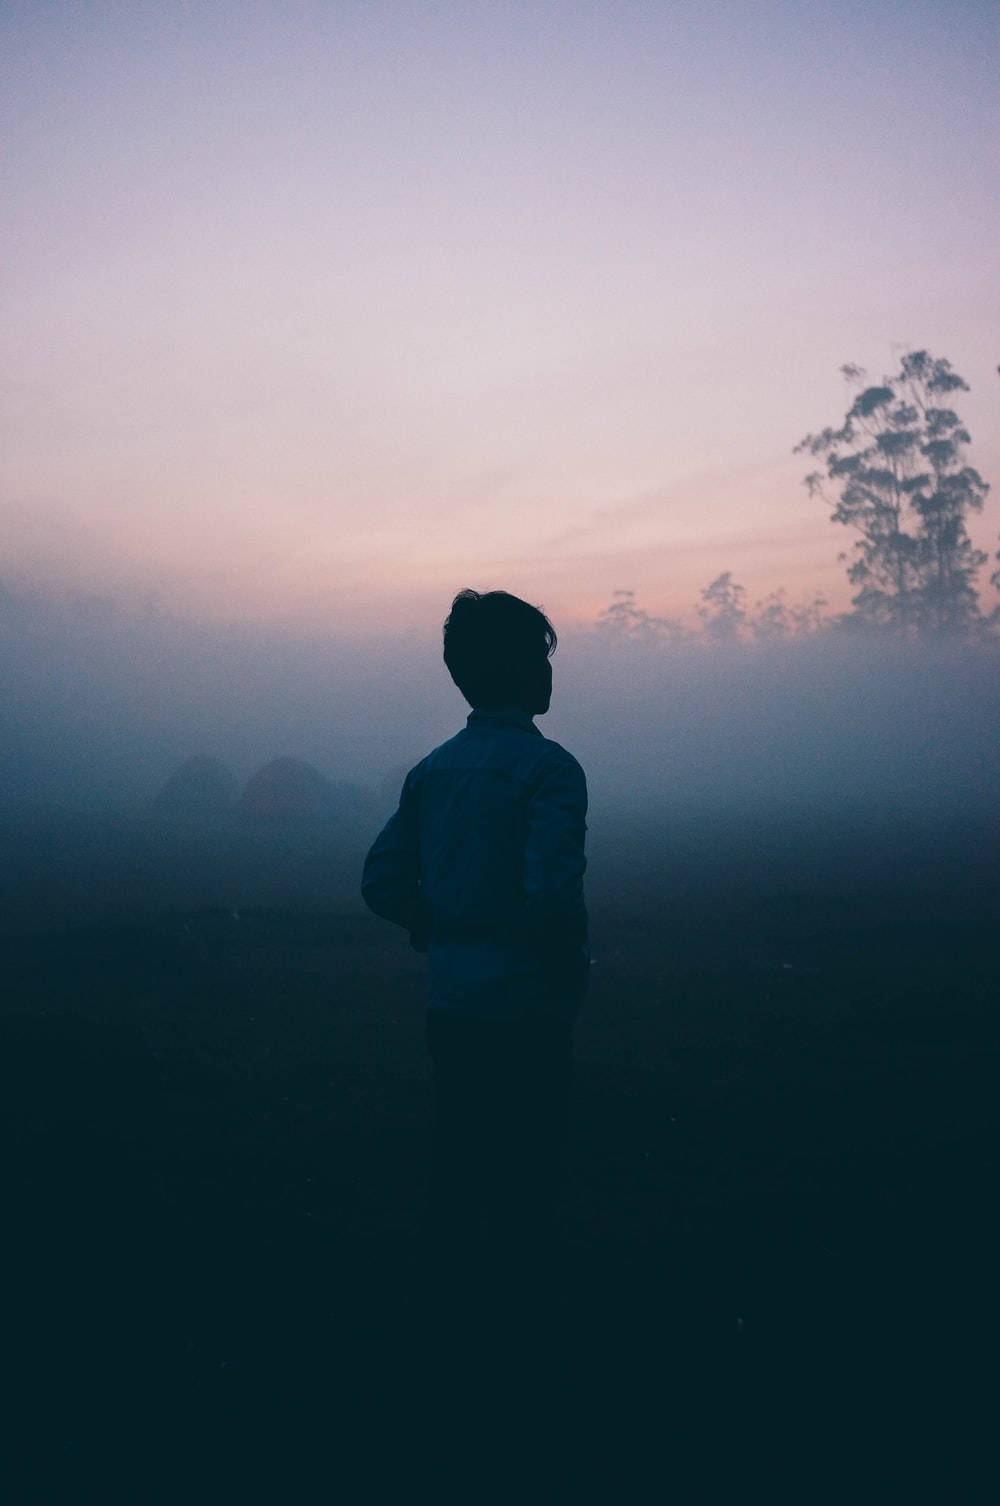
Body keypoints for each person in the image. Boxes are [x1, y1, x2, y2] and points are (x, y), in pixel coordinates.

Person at [361, 588, 589, 1303]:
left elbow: (382, 879)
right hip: (528, 1001)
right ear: (522, 671)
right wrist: (562, 968)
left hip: (453, 997)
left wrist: (431, 924)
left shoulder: (433, 771)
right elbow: (552, 891)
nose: (552, 675)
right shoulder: (552, 771)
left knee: (459, 1151)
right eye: (542, 660)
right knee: (530, 1161)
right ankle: (525, 1302)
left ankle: (448, 1298)